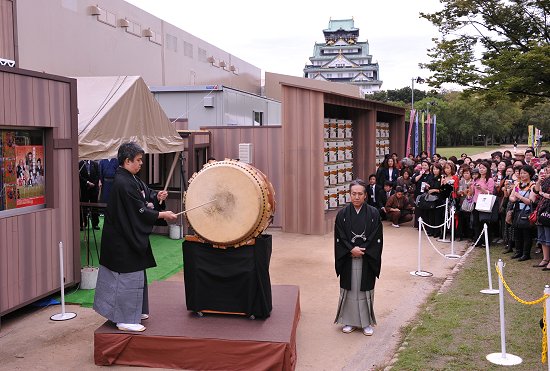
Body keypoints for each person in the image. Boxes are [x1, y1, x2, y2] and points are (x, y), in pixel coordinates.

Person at [93, 142, 178, 332]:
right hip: (121, 240)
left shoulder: (131, 179)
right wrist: (162, 214)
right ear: (127, 160)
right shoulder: (122, 183)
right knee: (126, 278)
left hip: (128, 235)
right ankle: (124, 318)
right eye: (138, 160)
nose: (141, 164)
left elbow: (145, 196)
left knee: (137, 275)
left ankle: (135, 310)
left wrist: (157, 198)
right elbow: (138, 210)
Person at [334, 179, 383, 336]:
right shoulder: (342, 215)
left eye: (360, 194)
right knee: (350, 290)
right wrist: (350, 249)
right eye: (353, 193)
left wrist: (362, 249)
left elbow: (376, 236)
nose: (356, 197)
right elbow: (339, 237)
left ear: (365, 195)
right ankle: (349, 321)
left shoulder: (374, 214)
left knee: (364, 291)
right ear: (349, 195)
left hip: (367, 258)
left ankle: (366, 322)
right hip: (348, 258)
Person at [79, 159, 100, 230]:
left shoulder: (95, 164)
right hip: (84, 189)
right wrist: (87, 182)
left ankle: (95, 224)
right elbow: (79, 176)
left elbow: (98, 175)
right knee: (83, 207)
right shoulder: (80, 164)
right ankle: (83, 224)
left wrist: (93, 184)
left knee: (94, 207)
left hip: (94, 189)